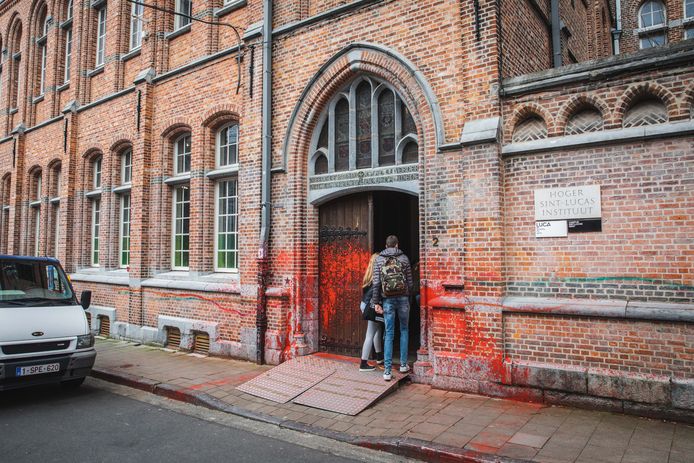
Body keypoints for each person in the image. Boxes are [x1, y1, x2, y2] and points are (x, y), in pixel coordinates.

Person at [371, 235, 413, 381]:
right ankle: (403, 364)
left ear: (386, 245)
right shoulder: (404, 258)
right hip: (403, 298)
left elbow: (376, 283)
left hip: (387, 299)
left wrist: (376, 302)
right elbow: (410, 281)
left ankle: (387, 371)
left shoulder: (379, 259)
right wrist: (409, 297)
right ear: (396, 245)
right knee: (404, 329)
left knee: (389, 333)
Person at [359, 253, 384, 372]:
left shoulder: (369, 275)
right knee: (370, 333)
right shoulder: (376, 277)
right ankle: (363, 363)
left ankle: (379, 357)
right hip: (371, 306)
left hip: (365, 304)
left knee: (377, 330)